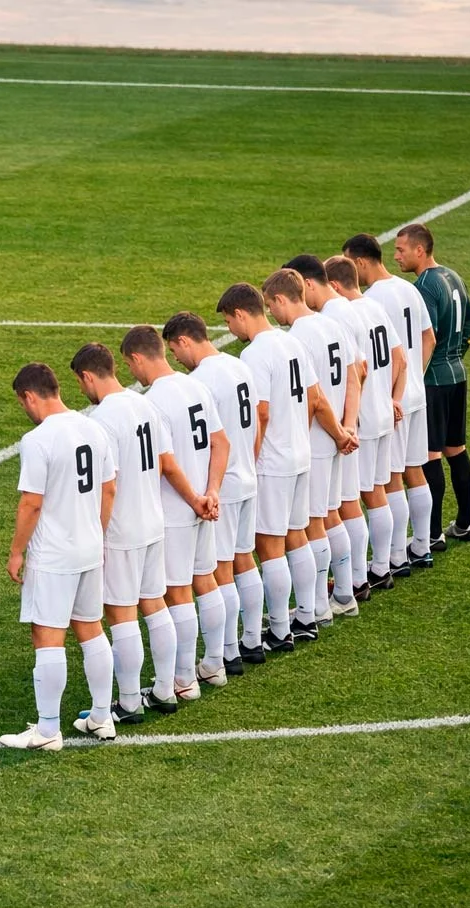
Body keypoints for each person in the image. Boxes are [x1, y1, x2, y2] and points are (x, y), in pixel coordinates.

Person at [219, 282, 345, 655]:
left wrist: (252, 458)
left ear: (241, 314)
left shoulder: (256, 353)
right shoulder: (292, 342)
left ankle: (279, 629)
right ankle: (308, 614)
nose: (230, 330)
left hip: (273, 462)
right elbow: (315, 397)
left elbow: (261, 413)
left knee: (269, 544)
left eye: (229, 322)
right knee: (297, 534)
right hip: (300, 454)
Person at [0, 362, 118, 749]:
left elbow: (31, 503)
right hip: (89, 547)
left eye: (22, 403)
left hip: (54, 554)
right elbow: (109, 489)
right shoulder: (93, 428)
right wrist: (96, 533)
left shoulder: (38, 440)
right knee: (91, 628)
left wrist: (16, 552)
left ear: (29, 396)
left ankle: (48, 731)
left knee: (47, 635)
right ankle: (101, 717)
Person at [71, 343, 180, 721]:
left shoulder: (102, 419)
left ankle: (130, 702)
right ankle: (165, 690)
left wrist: (98, 533)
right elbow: (164, 463)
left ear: (88, 377)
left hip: (122, 529)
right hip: (153, 521)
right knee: (155, 604)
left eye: (80, 383)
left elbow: (109, 485)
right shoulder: (145, 404)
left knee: (122, 614)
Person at [122, 325, 229, 699]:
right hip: (205, 504)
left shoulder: (153, 402)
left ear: (138, 358)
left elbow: (166, 465)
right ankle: (214, 664)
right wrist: (211, 492)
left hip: (176, 509)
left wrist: (194, 499)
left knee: (178, 592)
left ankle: (184, 680)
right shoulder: (195, 386)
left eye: (129, 365)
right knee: (206, 580)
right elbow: (221, 443)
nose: (131, 373)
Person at [264, 268, 363, 642]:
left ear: (281, 299)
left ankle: (318, 606)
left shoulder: (298, 338)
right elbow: (356, 374)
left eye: (271, 306)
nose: (272, 314)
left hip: (318, 442)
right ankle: (342, 594)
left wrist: (336, 433)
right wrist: (348, 426)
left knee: (312, 524)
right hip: (336, 438)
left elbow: (314, 399)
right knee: (329, 515)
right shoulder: (331, 325)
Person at [163, 312, 261, 676]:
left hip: (220, 488)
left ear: (184, 341)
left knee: (220, 571)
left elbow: (210, 442)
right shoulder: (239, 366)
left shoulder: (199, 382)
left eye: (175, 350)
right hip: (246, 476)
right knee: (244, 559)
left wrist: (207, 491)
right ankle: (251, 640)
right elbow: (258, 419)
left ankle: (227, 654)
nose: (176, 358)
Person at [342, 233, 436, 568]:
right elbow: (429, 338)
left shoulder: (370, 301)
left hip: (390, 402)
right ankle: (421, 545)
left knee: (391, 480)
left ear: (360, 262)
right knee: (415, 471)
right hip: (414, 394)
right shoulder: (409, 288)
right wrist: (414, 381)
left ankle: (395, 556)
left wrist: (392, 393)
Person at [325, 255, 408, 602]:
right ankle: (385, 565)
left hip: (362, 418)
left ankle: (356, 579)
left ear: (332, 285)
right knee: (377, 491)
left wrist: (349, 419)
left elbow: (357, 370)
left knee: (349, 502)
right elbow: (400, 358)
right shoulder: (374, 308)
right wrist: (392, 399)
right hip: (382, 413)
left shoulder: (341, 315)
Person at [395, 222, 470, 545]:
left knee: (430, 456)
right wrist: (455, 355)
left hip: (433, 381)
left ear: (419, 250)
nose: (396, 256)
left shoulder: (425, 286)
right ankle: (465, 523)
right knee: (456, 450)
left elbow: (427, 337)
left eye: (401, 250)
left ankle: (431, 535)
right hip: (457, 375)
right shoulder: (453, 276)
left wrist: (416, 376)